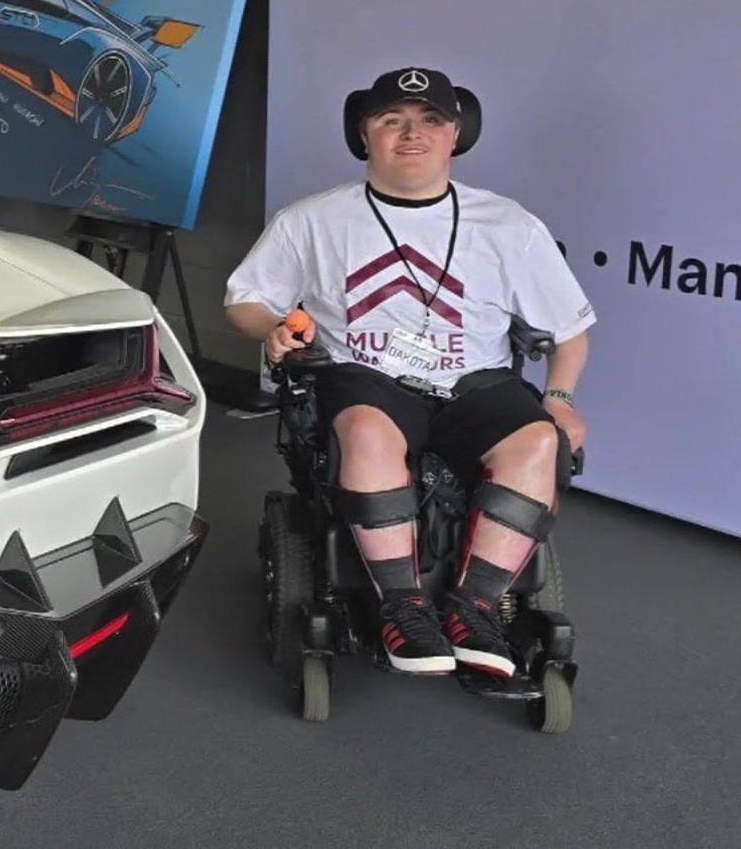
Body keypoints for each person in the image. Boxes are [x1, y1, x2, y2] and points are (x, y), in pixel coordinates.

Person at [225, 66, 594, 678]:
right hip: (364, 378)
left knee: (536, 441)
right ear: (362, 134)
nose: (411, 133)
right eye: (391, 120)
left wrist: (558, 398)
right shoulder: (311, 220)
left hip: (475, 384)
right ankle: (403, 607)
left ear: (458, 134)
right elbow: (243, 301)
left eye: (430, 120)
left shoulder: (508, 225)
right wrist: (269, 326)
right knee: (368, 433)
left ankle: (474, 607)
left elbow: (571, 331)